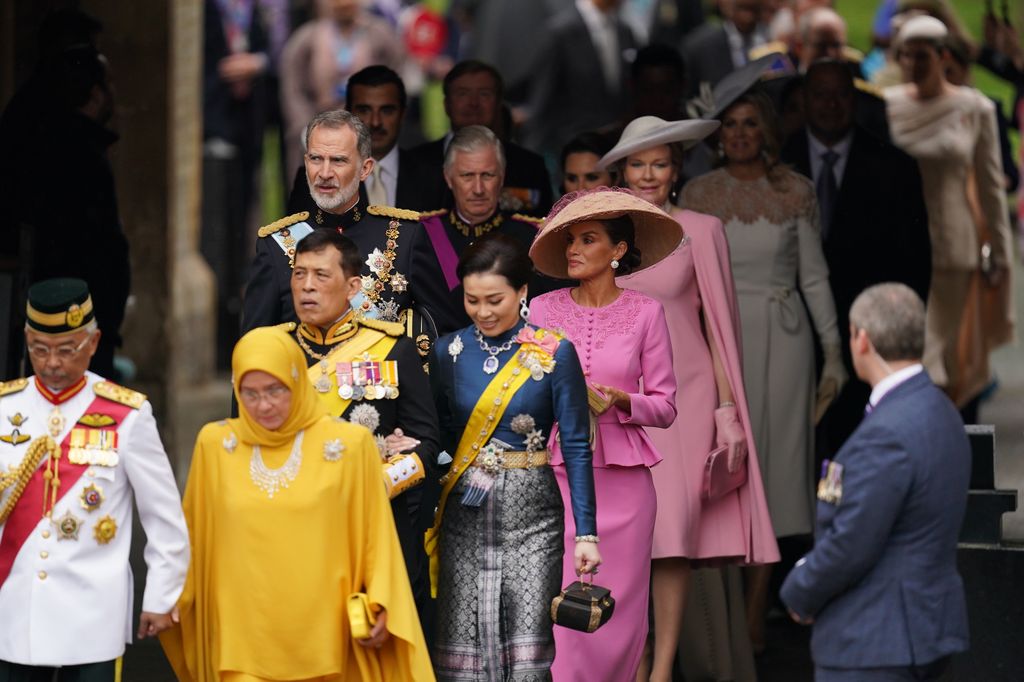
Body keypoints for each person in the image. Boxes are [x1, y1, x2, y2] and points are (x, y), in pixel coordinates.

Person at [596, 117, 778, 680]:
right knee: (625, 540)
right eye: (637, 164)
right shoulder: (603, 234)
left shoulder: (702, 228)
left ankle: (662, 666)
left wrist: (727, 413)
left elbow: (720, 332)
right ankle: (637, 655)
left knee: (671, 540)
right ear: (622, 172)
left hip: (687, 405)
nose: (648, 174)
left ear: (675, 170)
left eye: (659, 163)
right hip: (619, 402)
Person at [160, 325, 433, 680]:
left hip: (325, 631)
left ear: (297, 380)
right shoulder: (215, 445)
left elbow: (374, 534)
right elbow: (192, 537)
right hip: (242, 632)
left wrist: (381, 600)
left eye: (275, 390)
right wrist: (167, 598)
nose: (264, 405)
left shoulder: (349, 445)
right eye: (250, 393)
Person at [684, 81, 846, 650]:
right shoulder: (698, 193)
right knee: (720, 468)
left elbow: (816, 276)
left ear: (768, 132)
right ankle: (719, 615)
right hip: (716, 339)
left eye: (751, 123)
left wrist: (834, 355)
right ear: (717, 135)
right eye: (730, 125)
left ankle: (755, 609)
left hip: (784, 338)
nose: (741, 134)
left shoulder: (794, 190)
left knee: (774, 471)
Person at [426, 234, 601, 679]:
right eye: (472, 300)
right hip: (463, 515)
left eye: (495, 300)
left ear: (522, 293)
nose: (483, 312)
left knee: (527, 654)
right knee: (462, 647)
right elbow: (439, 436)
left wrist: (587, 535)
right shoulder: (449, 352)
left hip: (533, 519)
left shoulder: (554, 352)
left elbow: (577, 445)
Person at [780, 283, 971, 682]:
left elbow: (851, 545)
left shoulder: (886, 433)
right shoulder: (942, 410)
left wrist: (798, 590)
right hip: (926, 630)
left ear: (861, 339)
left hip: (873, 642)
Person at [0, 278, 189, 679]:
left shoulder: (128, 414)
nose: (52, 362)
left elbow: (164, 517)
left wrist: (160, 595)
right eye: (39, 349)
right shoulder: (5, 407)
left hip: (91, 613)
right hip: (14, 606)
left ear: (94, 342)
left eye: (67, 350)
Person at [528, 188, 679, 679]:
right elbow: (522, 391)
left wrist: (620, 400)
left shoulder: (648, 313)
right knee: (562, 611)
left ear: (617, 251)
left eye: (587, 239)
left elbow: (665, 406)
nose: (573, 249)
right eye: (570, 239)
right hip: (557, 479)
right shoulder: (543, 310)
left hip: (627, 486)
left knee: (617, 617)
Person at [284, 228, 439, 637]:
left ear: (353, 285)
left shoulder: (391, 349)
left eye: (321, 276)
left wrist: (379, 481)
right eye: (299, 275)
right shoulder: (274, 351)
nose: (307, 287)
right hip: (290, 522)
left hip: (372, 524)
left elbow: (426, 446)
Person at [781, 59, 931, 455]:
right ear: (805, 100)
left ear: (856, 100)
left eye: (841, 94)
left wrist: (899, 332)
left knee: (859, 443)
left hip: (867, 331)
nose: (831, 104)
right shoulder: (776, 160)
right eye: (820, 95)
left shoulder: (895, 166)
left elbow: (916, 260)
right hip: (789, 327)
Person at [884, 15, 1015, 423]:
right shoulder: (886, 105)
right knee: (904, 349)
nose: (913, 65)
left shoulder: (974, 107)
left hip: (953, 245)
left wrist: (998, 251)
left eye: (922, 56)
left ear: (942, 56)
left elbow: (992, 186)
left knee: (943, 354)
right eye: (906, 56)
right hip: (899, 243)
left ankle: (943, 442)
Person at [242, 109, 462, 342]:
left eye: (338, 160)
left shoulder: (407, 236)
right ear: (306, 162)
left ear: (365, 169)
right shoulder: (275, 246)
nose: (324, 173)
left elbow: (446, 335)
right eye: (316, 159)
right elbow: (254, 349)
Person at [416, 125, 557, 323]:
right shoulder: (421, 235)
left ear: (502, 177)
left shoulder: (533, 239)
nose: (478, 189)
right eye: (467, 176)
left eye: (487, 175)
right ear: (448, 178)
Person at [408, 60, 554, 216]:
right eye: (462, 94)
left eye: (484, 94)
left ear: (498, 103)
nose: (473, 103)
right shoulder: (412, 164)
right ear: (446, 104)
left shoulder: (531, 167)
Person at [286, 65, 438, 214]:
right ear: (348, 113)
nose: (375, 122)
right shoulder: (321, 165)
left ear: (402, 113)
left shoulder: (429, 161)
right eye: (364, 110)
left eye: (386, 111)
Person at [279, 0, 404, 173]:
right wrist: (306, 127)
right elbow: (293, 90)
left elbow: (398, 79)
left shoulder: (381, 35)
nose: (343, 3)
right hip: (318, 126)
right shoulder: (306, 39)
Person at [523, 0, 638, 158]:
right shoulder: (559, 32)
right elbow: (542, 102)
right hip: (569, 151)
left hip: (615, 150)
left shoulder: (625, 32)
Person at [682, 0, 769, 98]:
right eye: (743, 8)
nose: (748, 16)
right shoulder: (699, 47)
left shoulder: (774, 40)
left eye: (752, 9)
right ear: (725, 5)